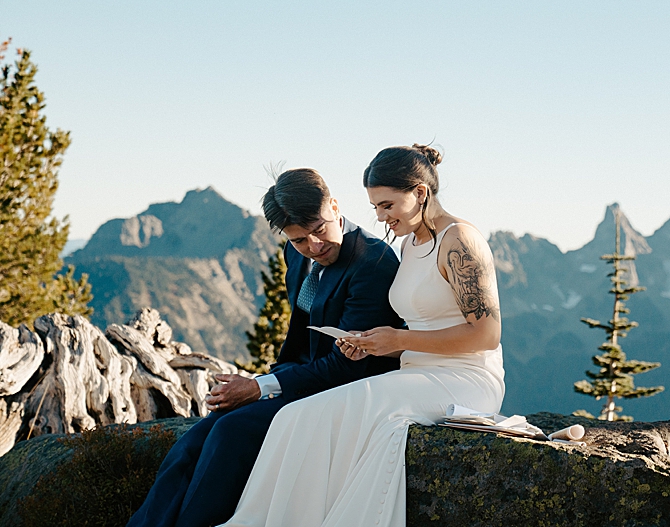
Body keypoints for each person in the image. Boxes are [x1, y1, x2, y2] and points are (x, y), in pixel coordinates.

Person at [222, 144, 504, 527]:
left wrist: (399, 340)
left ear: (420, 193)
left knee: (306, 416)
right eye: (375, 207)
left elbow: (486, 334)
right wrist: (374, 345)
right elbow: (421, 330)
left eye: (387, 205)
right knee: (293, 416)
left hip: (466, 379)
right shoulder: (411, 243)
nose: (380, 217)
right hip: (415, 371)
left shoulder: (460, 240)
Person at [128, 169, 403, 527]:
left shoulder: (373, 262)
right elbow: (298, 339)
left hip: (345, 386)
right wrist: (264, 382)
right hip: (298, 378)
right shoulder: (297, 256)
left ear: (334, 206)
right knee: (194, 439)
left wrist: (260, 387)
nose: (314, 246)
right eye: (300, 240)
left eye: (319, 230)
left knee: (231, 433)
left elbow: (348, 365)